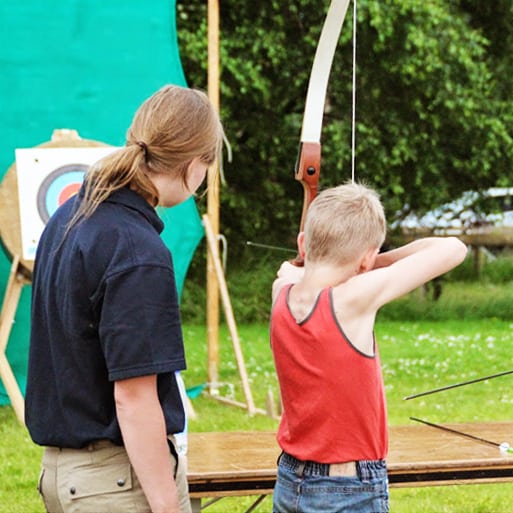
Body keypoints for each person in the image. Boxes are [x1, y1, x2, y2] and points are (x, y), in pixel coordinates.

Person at [25, 84, 224, 513]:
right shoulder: (136, 251)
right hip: (116, 484)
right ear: (194, 165)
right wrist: (167, 506)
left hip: (67, 476)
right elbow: (133, 398)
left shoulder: (69, 216)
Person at [270, 181, 467, 513]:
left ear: (302, 244)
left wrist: (335, 262)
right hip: (347, 489)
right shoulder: (352, 299)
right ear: (366, 260)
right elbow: (453, 248)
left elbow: (292, 275)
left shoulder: (281, 292)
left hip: (290, 479)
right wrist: (371, 261)